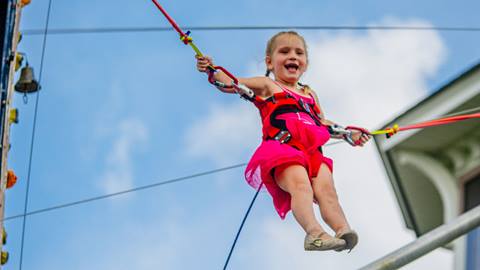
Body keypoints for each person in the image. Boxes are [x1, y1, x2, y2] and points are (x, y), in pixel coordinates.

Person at [196, 31, 371, 252]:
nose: (293, 56)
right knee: (301, 186)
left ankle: (342, 229)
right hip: (284, 149)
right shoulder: (268, 85)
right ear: (270, 61)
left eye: (299, 53)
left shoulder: (310, 95)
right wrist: (213, 71)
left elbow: (322, 123)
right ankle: (314, 233)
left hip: (312, 153)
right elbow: (232, 83)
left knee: (327, 190)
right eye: (284, 51)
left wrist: (349, 134)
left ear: (305, 63)